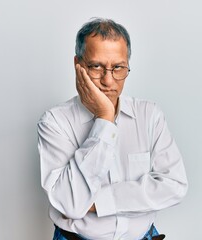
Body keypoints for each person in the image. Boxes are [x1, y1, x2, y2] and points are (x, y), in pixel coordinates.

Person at [37, 18, 188, 240]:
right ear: (78, 65)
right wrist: (104, 120)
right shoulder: (54, 122)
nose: (108, 81)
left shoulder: (149, 115)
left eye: (118, 67)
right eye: (96, 66)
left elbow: (175, 186)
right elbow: (70, 204)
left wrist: (97, 202)